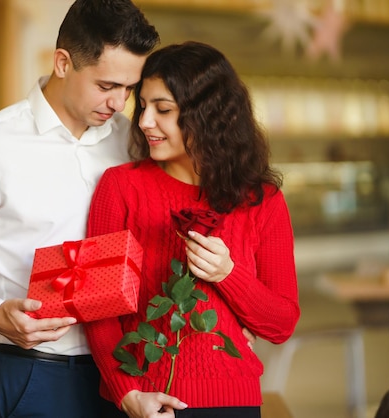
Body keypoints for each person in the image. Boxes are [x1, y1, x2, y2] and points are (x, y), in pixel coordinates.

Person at [0, 1, 160, 417]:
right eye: (106, 85)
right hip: (33, 372)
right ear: (63, 62)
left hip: (125, 370)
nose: (119, 103)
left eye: (129, 88)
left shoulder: (132, 141)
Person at [84, 41, 301, 418]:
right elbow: (98, 310)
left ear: (209, 116)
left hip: (233, 402)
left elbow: (281, 324)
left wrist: (228, 275)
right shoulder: (119, 187)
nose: (144, 121)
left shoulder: (262, 200)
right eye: (144, 105)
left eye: (163, 109)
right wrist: (128, 394)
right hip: (144, 404)